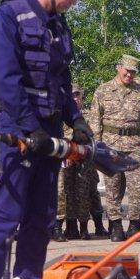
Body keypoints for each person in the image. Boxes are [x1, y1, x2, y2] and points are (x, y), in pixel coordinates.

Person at [0, 0, 93, 279]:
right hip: (18, 128)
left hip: (50, 130)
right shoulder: (10, 16)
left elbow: (61, 81)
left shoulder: (58, 25)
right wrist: (30, 128)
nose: (74, 2)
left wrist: (77, 120)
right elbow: (5, 80)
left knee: (41, 217)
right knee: (7, 215)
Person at [88, 55, 140, 242]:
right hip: (110, 144)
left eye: (133, 72)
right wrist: (98, 147)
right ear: (118, 68)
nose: (129, 75)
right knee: (113, 187)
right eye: (127, 71)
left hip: (134, 145)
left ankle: (135, 225)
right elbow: (95, 120)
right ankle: (115, 225)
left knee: (137, 188)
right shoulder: (103, 90)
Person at [56, 86, 96, 241]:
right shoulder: (61, 115)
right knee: (63, 193)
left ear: (81, 97)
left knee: (83, 193)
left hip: (83, 160)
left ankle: (84, 228)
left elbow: (93, 138)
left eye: (77, 95)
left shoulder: (88, 116)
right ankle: (64, 227)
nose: (74, 98)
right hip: (64, 159)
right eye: (71, 96)